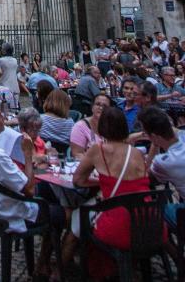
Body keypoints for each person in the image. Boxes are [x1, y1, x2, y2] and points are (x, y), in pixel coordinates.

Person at [0, 101, 65, 244]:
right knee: (65, 213)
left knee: (46, 189)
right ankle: (47, 259)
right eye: (0, 117)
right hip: (15, 213)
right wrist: (27, 154)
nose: (4, 120)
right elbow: (29, 190)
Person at [72, 106, 153, 277]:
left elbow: (78, 180)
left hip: (120, 228)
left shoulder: (98, 149)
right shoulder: (137, 153)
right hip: (150, 223)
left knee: (77, 219)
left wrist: (102, 182)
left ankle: (65, 269)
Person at [138, 106, 185, 229]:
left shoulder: (165, 162)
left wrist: (152, 145)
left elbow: (145, 175)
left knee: (153, 211)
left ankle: (171, 247)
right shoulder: (182, 136)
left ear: (153, 136)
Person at [70, 93, 111, 159]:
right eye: (98, 104)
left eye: (105, 106)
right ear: (92, 107)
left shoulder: (112, 125)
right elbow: (77, 154)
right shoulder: (80, 126)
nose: (101, 108)